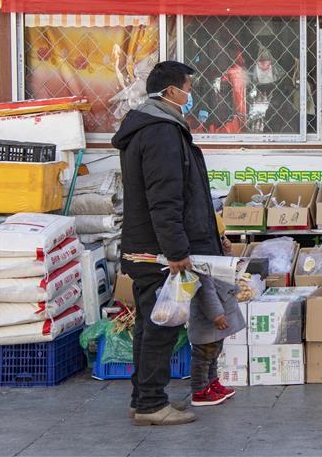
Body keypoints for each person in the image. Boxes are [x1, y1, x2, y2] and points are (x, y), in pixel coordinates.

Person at [112, 61, 224, 426]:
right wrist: (176, 251)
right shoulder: (160, 132)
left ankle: (142, 399)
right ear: (172, 92)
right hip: (159, 252)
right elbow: (164, 198)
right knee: (162, 327)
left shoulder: (150, 127)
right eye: (189, 88)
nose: (191, 95)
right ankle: (151, 404)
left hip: (148, 246)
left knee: (151, 324)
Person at [187, 218, 245, 407]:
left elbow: (227, 268)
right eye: (220, 238)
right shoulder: (200, 262)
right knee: (203, 355)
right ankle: (199, 390)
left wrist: (227, 251)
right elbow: (205, 291)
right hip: (208, 319)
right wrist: (216, 315)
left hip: (219, 311)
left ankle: (211, 383)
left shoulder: (214, 256)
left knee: (213, 353)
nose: (224, 241)